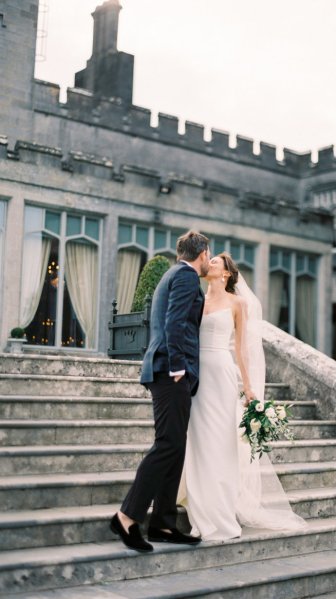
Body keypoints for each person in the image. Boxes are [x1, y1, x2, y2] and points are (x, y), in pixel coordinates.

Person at [180, 253, 307, 541]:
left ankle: (222, 512)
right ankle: (200, 511)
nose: (209, 263)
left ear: (225, 273)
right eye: (209, 260)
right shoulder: (197, 300)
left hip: (223, 375)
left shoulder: (237, 303)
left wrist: (248, 387)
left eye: (215, 262)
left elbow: (242, 350)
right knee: (199, 441)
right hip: (198, 377)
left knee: (222, 443)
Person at [110, 230, 210, 552]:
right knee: (167, 444)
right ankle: (127, 515)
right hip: (170, 372)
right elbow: (174, 322)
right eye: (208, 255)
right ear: (203, 253)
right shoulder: (185, 276)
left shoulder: (173, 273)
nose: (209, 260)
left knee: (175, 446)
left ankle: (164, 524)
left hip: (168, 371)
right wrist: (179, 367)